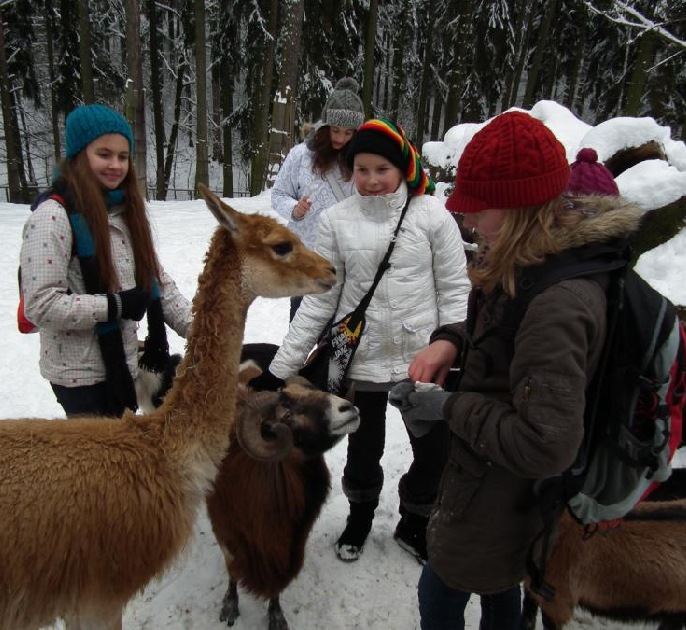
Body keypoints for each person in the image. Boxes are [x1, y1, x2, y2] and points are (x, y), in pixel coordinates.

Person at [388, 111, 642, 630]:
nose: (468, 220)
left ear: (525, 205)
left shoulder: (558, 302)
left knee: (441, 596)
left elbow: (545, 444)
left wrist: (449, 407)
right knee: (500, 585)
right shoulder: (528, 257)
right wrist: (449, 343)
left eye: (481, 208)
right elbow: (501, 329)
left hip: (506, 497)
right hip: (488, 487)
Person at [268, 118, 471, 564]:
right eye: (361, 170)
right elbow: (320, 302)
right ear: (350, 171)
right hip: (360, 362)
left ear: (402, 167)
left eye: (382, 168)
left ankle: (415, 519)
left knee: (433, 451)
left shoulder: (431, 214)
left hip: (424, 363)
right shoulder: (337, 221)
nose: (372, 180)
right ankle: (360, 515)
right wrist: (280, 368)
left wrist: (450, 345)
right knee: (363, 449)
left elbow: (456, 289)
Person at [20, 103, 191, 418]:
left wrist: (203, 328)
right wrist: (114, 306)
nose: (115, 165)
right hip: (80, 376)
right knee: (103, 464)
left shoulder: (126, 213)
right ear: (79, 155)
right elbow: (41, 304)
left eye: (123, 157)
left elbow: (157, 283)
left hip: (122, 365)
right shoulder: (53, 217)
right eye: (104, 154)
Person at [271, 77, 364, 319]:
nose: (340, 139)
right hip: (305, 261)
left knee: (338, 342)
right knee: (300, 329)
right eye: (335, 130)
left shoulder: (362, 162)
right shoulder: (301, 156)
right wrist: (295, 209)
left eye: (348, 133)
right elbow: (278, 194)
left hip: (346, 265)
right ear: (325, 126)